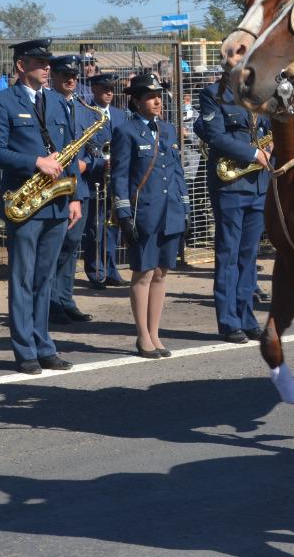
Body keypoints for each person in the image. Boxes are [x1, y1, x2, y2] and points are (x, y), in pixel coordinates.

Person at [0, 38, 81, 374]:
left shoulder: (57, 101)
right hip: (24, 201)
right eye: (40, 62)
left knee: (45, 278)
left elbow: (70, 150)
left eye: (47, 63)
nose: (46, 68)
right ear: (21, 65)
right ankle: (25, 350)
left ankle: (44, 345)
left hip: (56, 202)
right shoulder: (1, 102)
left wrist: (75, 197)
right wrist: (35, 162)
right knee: (23, 278)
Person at [111, 73, 188, 358]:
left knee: (161, 273)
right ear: (136, 101)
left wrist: (184, 206)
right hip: (144, 212)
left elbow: (177, 173)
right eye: (150, 97)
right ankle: (142, 335)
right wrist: (123, 212)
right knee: (143, 273)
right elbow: (119, 176)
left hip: (170, 212)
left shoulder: (167, 129)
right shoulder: (126, 131)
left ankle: (155, 333)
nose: (157, 101)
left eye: (159, 96)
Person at [196, 64, 270, 343]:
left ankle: (247, 317)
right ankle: (228, 322)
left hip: (257, 185)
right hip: (230, 185)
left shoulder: (258, 94)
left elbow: (269, 127)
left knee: (249, 256)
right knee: (228, 253)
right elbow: (216, 136)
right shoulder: (212, 94)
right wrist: (254, 153)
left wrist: (271, 147)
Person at [46, 54, 95, 324]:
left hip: (80, 186)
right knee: (55, 246)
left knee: (72, 246)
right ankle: (51, 301)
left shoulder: (84, 106)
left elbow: (97, 146)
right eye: (65, 76)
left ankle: (65, 299)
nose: (71, 80)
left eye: (74, 76)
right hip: (55, 184)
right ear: (53, 76)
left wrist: (90, 162)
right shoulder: (46, 103)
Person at [81, 73, 124, 289]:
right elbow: (86, 146)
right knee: (94, 227)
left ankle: (111, 269)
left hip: (114, 178)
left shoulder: (120, 114)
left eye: (111, 89)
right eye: (104, 88)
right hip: (94, 179)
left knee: (112, 225)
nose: (109, 93)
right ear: (94, 89)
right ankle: (96, 271)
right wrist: (100, 162)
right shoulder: (86, 113)